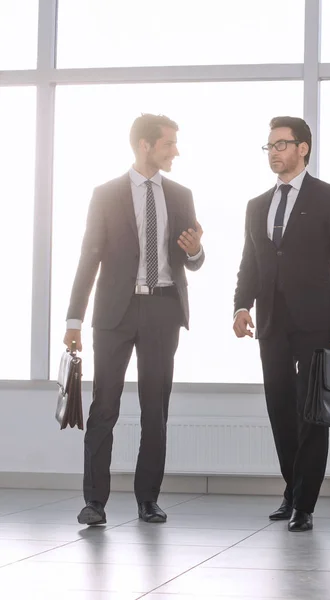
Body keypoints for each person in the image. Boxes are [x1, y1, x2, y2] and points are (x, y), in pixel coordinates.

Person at [64, 113, 204, 526]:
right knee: (104, 406)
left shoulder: (181, 195)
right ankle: (94, 502)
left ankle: (148, 499)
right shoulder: (106, 194)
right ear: (145, 145)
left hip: (163, 309)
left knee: (155, 408)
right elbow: (89, 257)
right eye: (169, 144)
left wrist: (195, 251)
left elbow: (191, 260)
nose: (176, 150)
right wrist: (74, 318)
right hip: (114, 313)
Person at [233, 116, 330, 532]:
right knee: (280, 408)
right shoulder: (256, 206)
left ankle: (304, 502)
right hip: (271, 321)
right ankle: (292, 488)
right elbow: (250, 263)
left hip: (317, 320)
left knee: (312, 411)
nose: (274, 152)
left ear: (303, 148)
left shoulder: (328, 197)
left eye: (281, 144)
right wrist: (241, 306)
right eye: (269, 146)